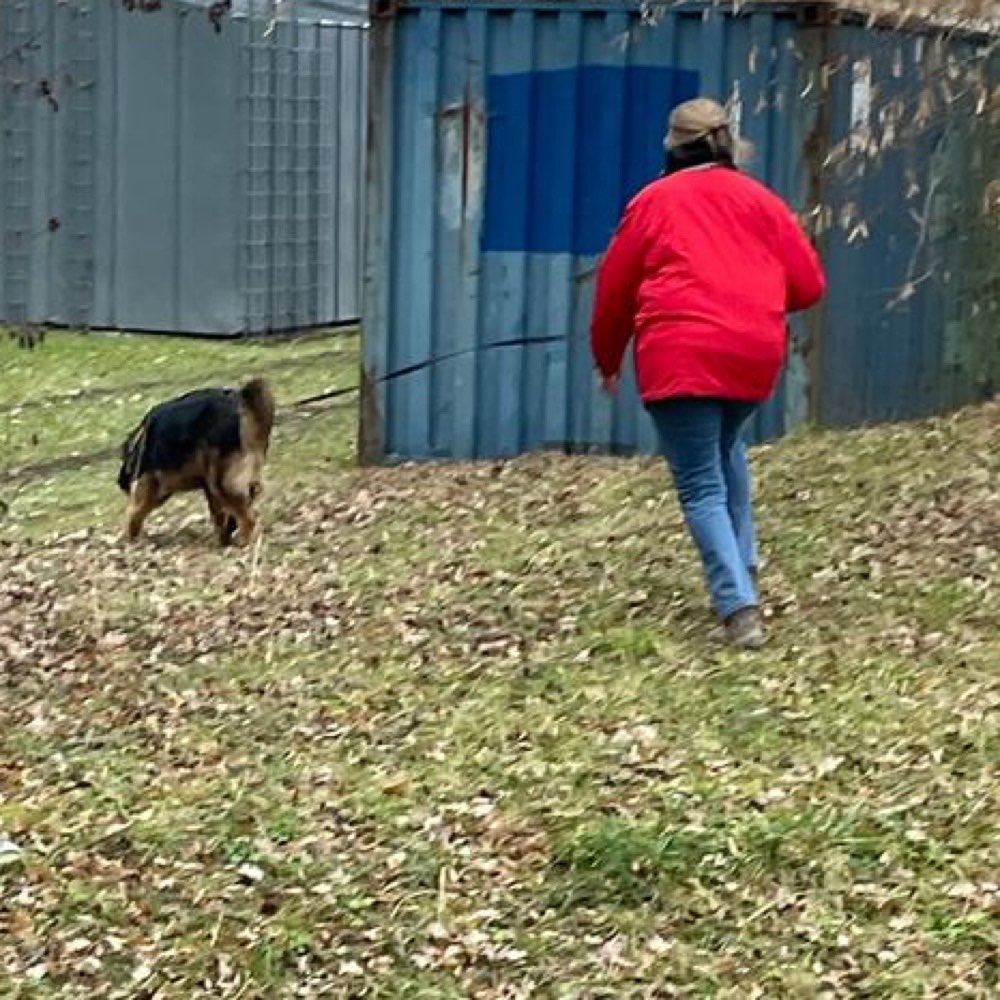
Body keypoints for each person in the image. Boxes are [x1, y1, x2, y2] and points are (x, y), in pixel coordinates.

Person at [590, 97, 826, 649]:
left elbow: (614, 292)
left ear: (672, 145)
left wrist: (608, 359)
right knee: (727, 451)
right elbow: (809, 284)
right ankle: (744, 566)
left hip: (680, 353)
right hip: (752, 352)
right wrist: (752, 302)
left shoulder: (653, 201)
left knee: (699, 482)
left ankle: (737, 605)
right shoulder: (761, 200)